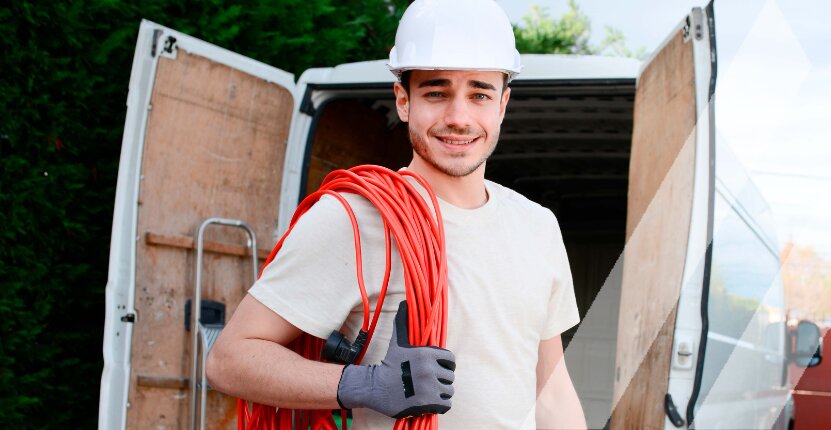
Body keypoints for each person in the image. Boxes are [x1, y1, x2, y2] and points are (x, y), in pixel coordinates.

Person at [205, 0, 588, 428]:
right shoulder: (353, 219)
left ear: (502, 104)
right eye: (436, 93)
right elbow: (229, 358)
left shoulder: (537, 226)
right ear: (403, 101)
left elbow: (551, 388)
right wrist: (363, 384)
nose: (459, 117)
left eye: (479, 93)